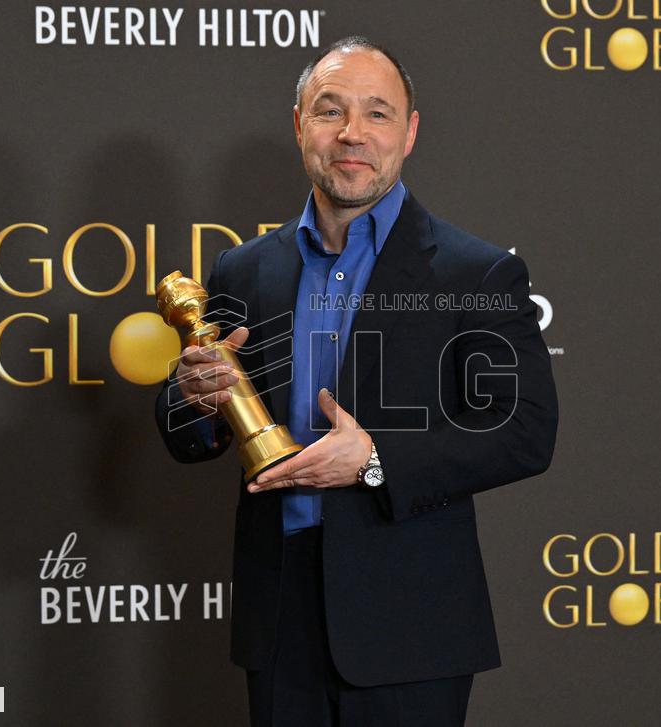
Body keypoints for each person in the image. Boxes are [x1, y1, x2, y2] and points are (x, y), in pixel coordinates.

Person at [156, 35, 558, 727]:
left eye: (377, 113)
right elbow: (189, 433)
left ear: (409, 133)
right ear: (299, 126)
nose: (352, 133)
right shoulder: (242, 270)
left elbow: (522, 430)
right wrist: (187, 397)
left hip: (410, 627)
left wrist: (372, 459)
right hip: (278, 621)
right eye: (329, 110)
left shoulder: (475, 272)